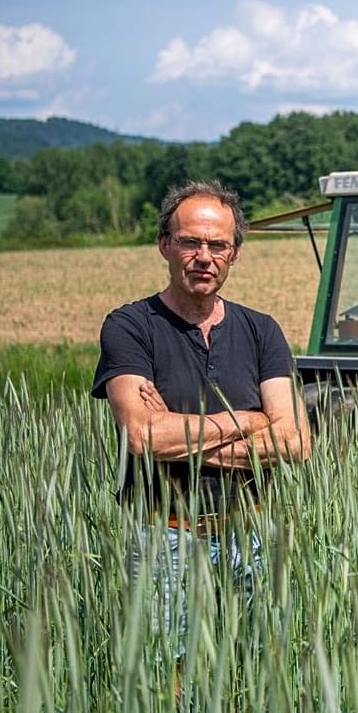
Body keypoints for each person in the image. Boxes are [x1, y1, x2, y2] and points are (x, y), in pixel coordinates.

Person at [91, 180, 311, 668]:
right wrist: (251, 421)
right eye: (190, 242)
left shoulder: (261, 330)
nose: (204, 256)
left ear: (234, 254)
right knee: (167, 671)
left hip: (251, 532)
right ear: (165, 245)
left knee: (257, 668)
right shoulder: (129, 326)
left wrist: (178, 428)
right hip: (164, 535)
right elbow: (143, 435)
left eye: (218, 245)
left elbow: (295, 442)